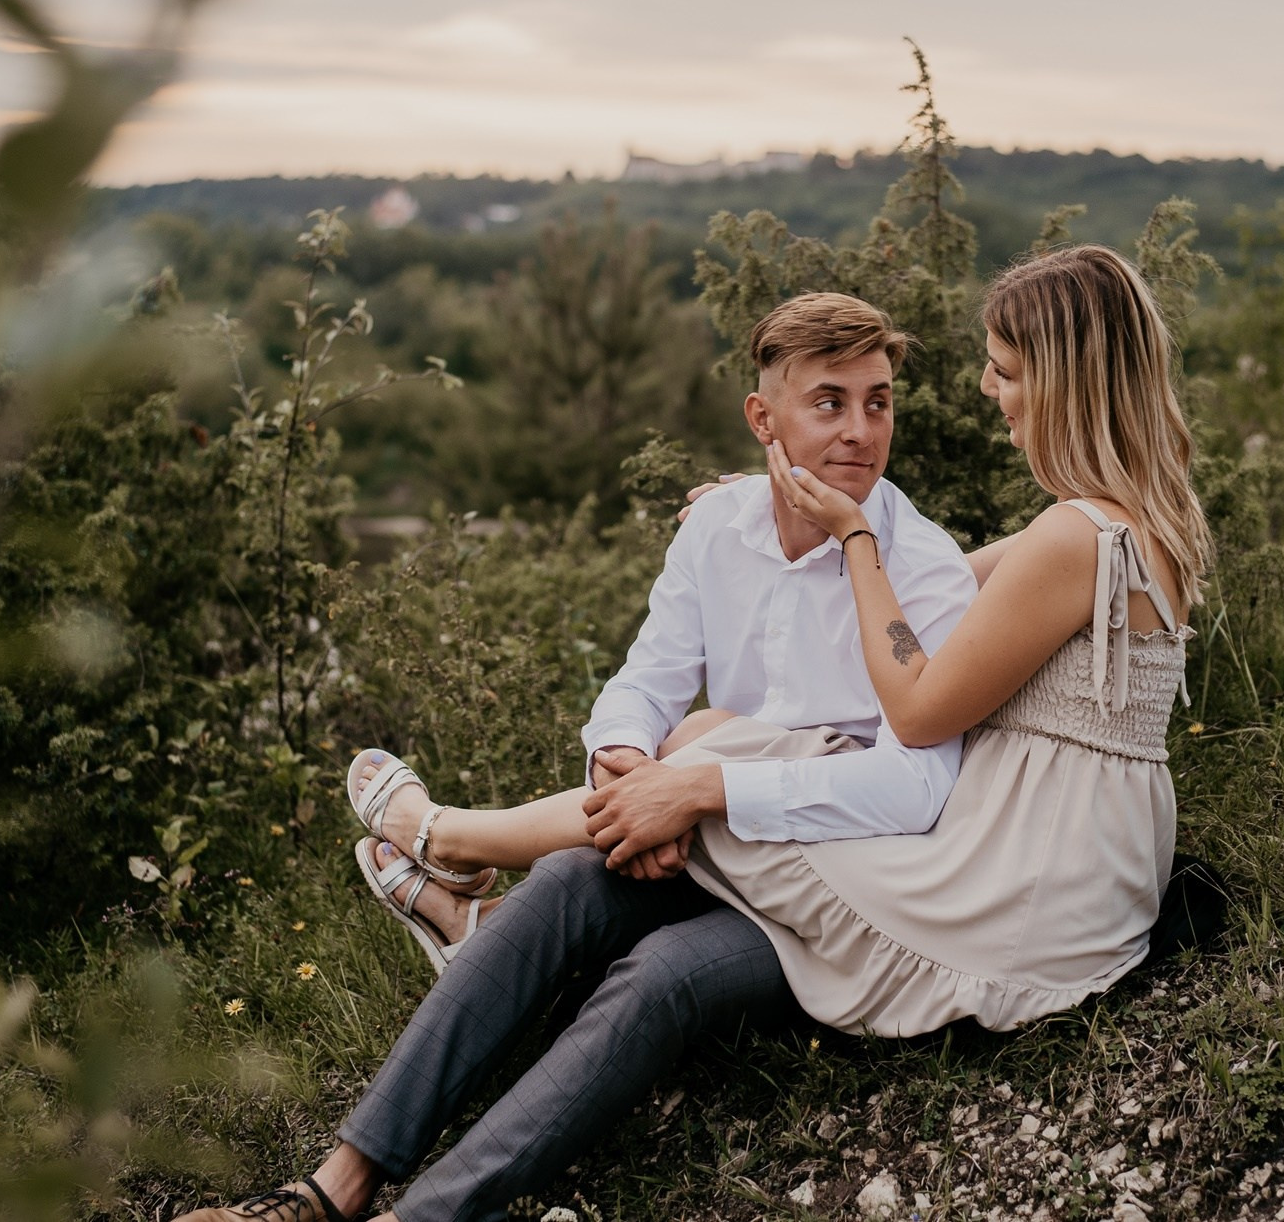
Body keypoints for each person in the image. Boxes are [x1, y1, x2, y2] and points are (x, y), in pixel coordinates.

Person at [172, 292, 978, 1222]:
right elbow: (645, 680)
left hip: (838, 901)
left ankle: (420, 1215)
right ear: (764, 417)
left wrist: (702, 790)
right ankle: (328, 1189)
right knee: (559, 884)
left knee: (662, 977)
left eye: (878, 401)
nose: (861, 430)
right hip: (713, 841)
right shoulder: (717, 530)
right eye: (829, 401)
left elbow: (920, 784)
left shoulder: (918, 567)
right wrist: (628, 771)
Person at [684, 242, 1214, 1034]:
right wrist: (784, 502)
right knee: (713, 740)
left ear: (1063, 384)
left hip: (1020, 879)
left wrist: (854, 535)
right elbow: (937, 587)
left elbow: (918, 711)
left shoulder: (1073, 536)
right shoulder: (1134, 520)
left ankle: (447, 842)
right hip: (1086, 859)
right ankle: (452, 849)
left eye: (1003, 368)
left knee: (711, 779)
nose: (986, 387)